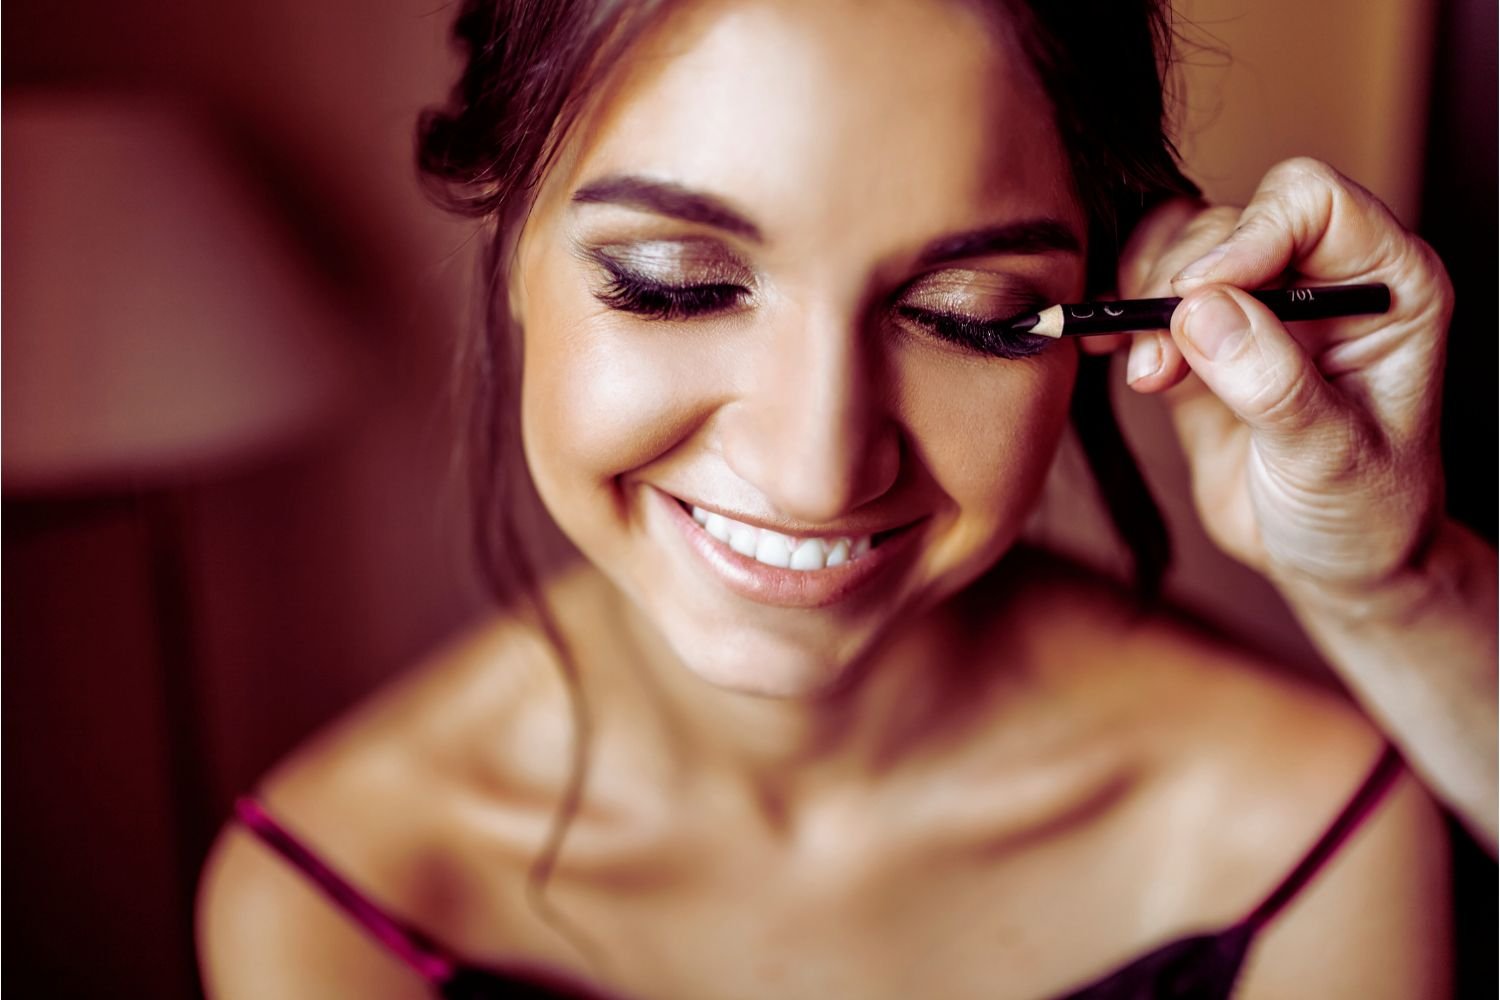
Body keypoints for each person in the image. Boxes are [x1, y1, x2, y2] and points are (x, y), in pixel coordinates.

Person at [197, 1, 1481, 997]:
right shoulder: (333, 897)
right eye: (675, 282)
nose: (818, 469)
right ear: (509, 246)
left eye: (964, 316)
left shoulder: (1302, 824)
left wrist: (1394, 583)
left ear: (1110, 301)